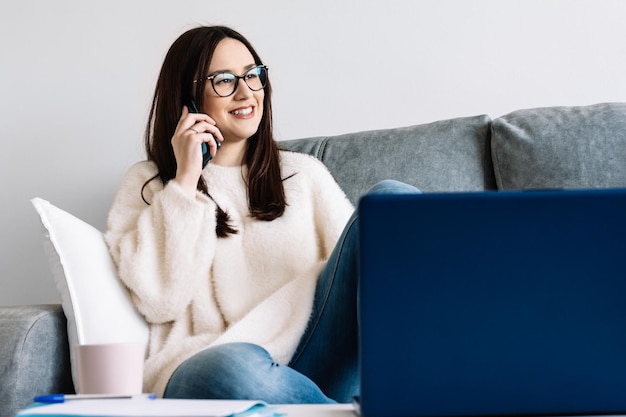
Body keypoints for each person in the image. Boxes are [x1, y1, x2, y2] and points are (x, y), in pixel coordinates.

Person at [105, 25, 418, 404]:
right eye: (224, 80)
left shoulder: (302, 173)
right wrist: (186, 181)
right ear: (187, 97)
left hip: (312, 353)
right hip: (218, 364)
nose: (246, 91)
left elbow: (360, 280)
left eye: (253, 75)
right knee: (231, 366)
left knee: (392, 201)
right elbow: (158, 300)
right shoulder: (149, 183)